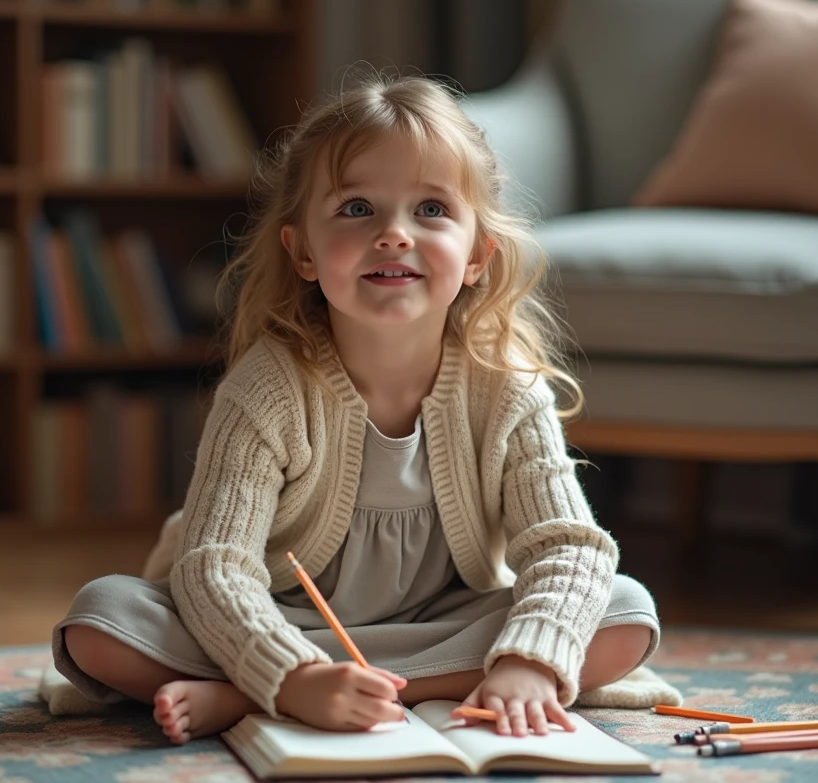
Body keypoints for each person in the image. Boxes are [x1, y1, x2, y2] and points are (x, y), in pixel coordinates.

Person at [52, 72, 660, 747]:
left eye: (431, 210)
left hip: (448, 622)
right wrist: (290, 673)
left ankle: (252, 697)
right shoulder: (267, 389)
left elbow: (567, 546)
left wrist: (526, 663)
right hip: (278, 622)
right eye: (356, 209)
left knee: (623, 611)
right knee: (99, 622)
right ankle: (294, 689)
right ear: (303, 252)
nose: (394, 234)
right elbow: (214, 566)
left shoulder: (507, 389)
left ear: (478, 256)